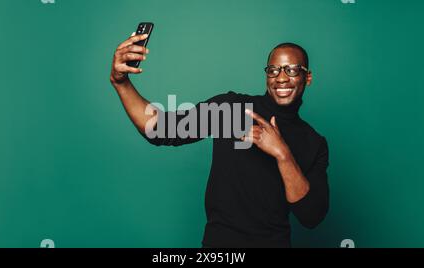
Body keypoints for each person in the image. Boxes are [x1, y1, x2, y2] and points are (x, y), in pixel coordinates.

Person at [110, 32, 329, 248]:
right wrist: (121, 83)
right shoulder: (231, 109)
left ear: (307, 77)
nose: (281, 78)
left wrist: (283, 154)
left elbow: (311, 217)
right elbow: (159, 128)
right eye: (274, 70)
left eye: (291, 70)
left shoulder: (314, 143)